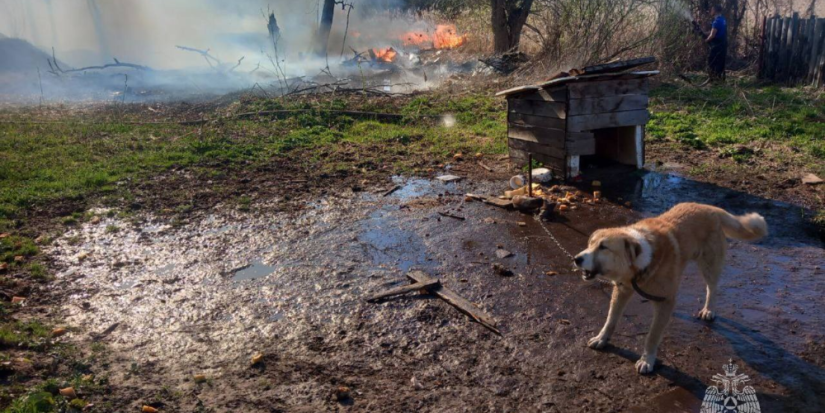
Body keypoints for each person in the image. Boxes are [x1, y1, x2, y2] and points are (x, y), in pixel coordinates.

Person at [705, 5, 727, 81]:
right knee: (720, 61)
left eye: (712, 9)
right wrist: (705, 33)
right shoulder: (723, 20)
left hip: (716, 45)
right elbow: (716, 31)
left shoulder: (716, 21)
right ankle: (720, 78)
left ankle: (713, 79)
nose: (711, 11)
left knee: (712, 61)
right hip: (723, 45)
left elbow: (712, 35)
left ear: (715, 11)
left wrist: (706, 40)